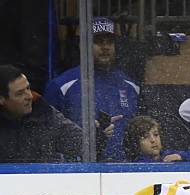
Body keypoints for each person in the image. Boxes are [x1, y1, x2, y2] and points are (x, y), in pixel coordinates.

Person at [44, 17, 140, 162]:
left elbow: (140, 132)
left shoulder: (130, 86)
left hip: (124, 171)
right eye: (98, 42)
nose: (105, 47)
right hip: (81, 172)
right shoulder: (61, 86)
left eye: (109, 42)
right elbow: (47, 135)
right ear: (83, 45)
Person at [0, 64, 83, 163]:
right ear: (1, 99)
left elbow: (83, 145)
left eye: (28, 88)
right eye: (20, 93)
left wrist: (97, 132)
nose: (29, 96)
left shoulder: (43, 113)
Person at [123, 115, 190, 162]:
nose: (153, 140)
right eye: (145, 137)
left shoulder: (169, 155)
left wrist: (182, 157)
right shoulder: (135, 166)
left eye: (156, 134)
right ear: (136, 142)